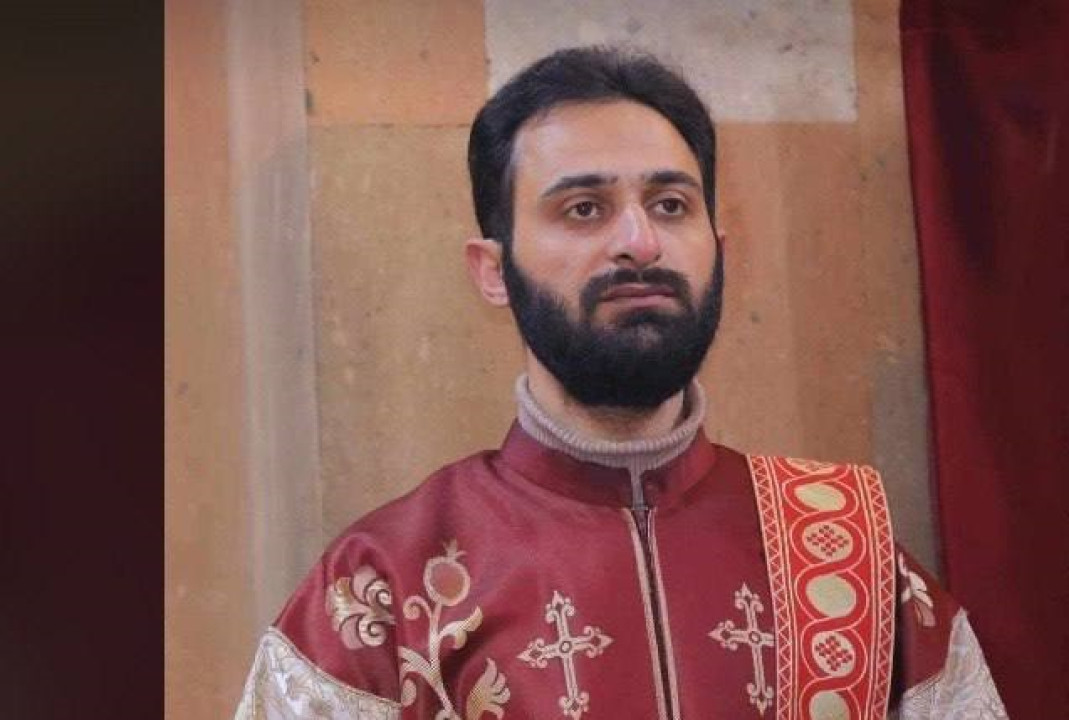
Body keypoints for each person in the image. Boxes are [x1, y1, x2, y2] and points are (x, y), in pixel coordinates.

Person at [234, 46, 1007, 720]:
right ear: (493, 270)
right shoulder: (382, 591)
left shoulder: (852, 562)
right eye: (584, 208)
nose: (639, 242)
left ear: (717, 246)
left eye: (671, 205)